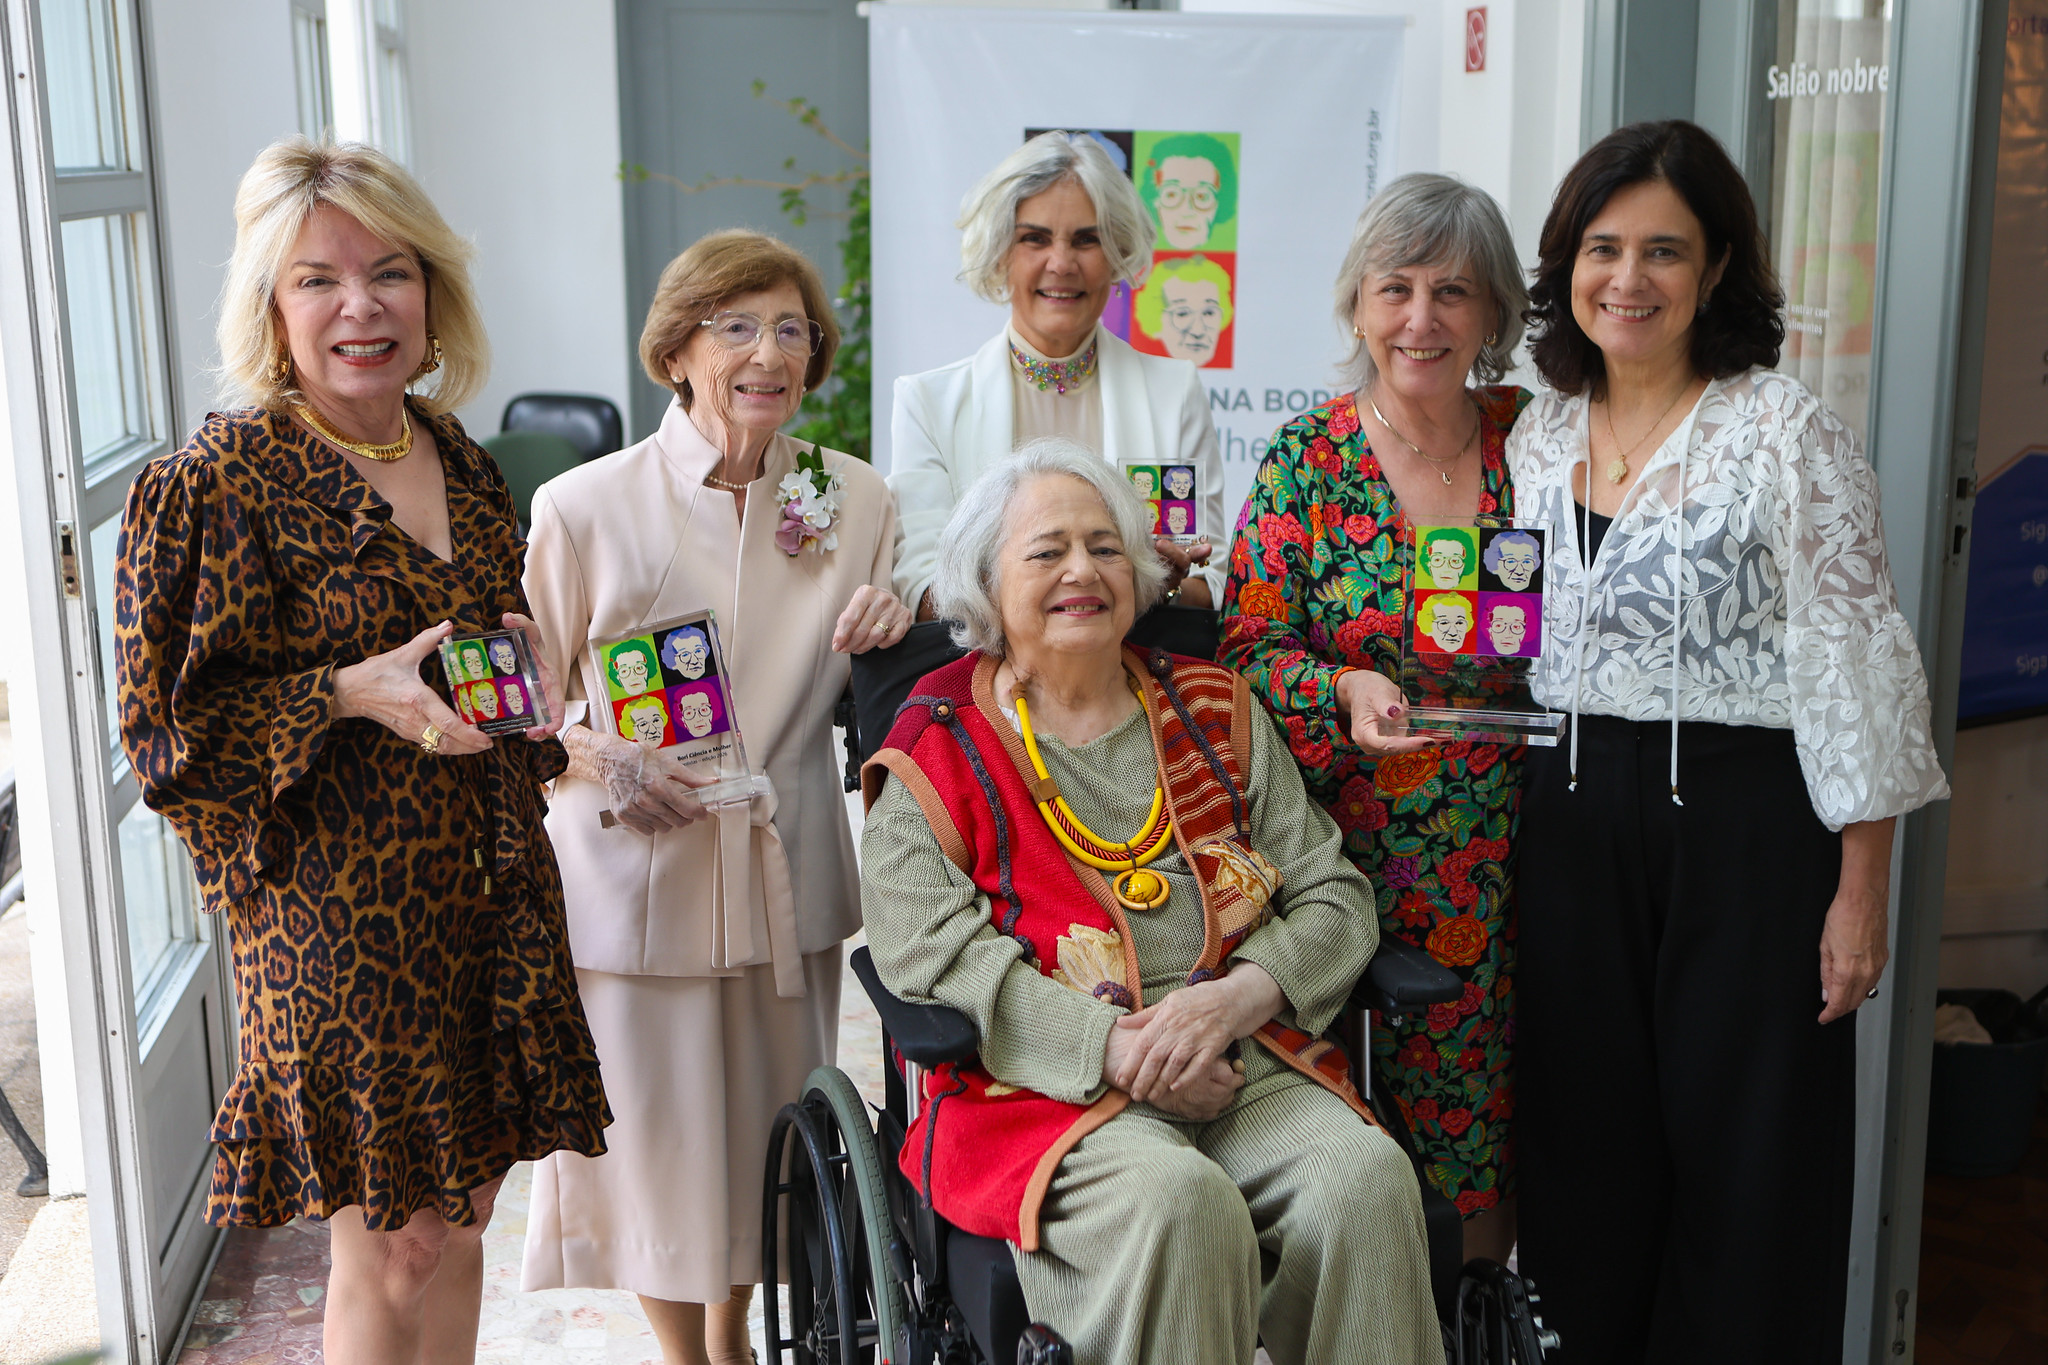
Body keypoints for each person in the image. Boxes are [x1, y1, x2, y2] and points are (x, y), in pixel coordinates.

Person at [112, 138, 609, 1365]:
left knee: (469, 1212)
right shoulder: (216, 482)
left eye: (390, 272)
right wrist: (343, 693)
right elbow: (164, 736)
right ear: (272, 309)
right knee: (393, 1242)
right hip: (335, 913)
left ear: (431, 292)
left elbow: (488, 669)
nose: (360, 306)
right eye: (318, 279)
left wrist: (531, 686)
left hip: (489, 887)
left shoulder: (464, 460)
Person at [1506, 120, 1950, 1364]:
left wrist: (1860, 891)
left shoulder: (1780, 429)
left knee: (1750, 1167)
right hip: (1570, 823)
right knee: (1583, 1160)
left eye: (1663, 250)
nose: (1627, 280)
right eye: (1602, 248)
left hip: (1743, 829)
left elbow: (1852, 656)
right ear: (1566, 265)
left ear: (1714, 272)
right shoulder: (1537, 430)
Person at [860, 440, 1440, 1365]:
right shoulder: (936, 742)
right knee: (1184, 1205)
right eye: (1047, 551)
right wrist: (1121, 1048)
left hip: (1240, 1059)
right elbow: (935, 955)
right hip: (1049, 1092)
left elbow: (1332, 893)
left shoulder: (1216, 705)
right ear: (983, 582)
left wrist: (1233, 1000)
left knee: (1365, 1180)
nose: (1083, 570)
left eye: (1107, 546)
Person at [519, 229, 909, 1365]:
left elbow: (908, 664)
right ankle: (693, 1360)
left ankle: (730, 1340)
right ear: (677, 350)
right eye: (736, 326)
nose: (767, 351)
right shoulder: (583, 505)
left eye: (790, 329)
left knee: (758, 1144)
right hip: (633, 872)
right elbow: (524, 704)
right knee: (651, 1149)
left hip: (783, 867)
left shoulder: (854, 499)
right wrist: (600, 757)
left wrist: (896, 622)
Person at [1220, 172, 1532, 1263]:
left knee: (1531, 1096)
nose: (1420, 319)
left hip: (1535, 834)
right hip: (1356, 844)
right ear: (1356, 304)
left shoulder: (1534, 445)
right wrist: (1340, 687)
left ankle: (1488, 1306)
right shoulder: (1307, 461)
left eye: (1452, 291)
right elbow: (1245, 645)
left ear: (1492, 312)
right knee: (1378, 1110)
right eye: (1393, 287)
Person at [891, 131, 1226, 617]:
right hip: (981, 679)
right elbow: (922, 589)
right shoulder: (928, 402)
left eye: (1087, 240)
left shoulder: (1174, 393)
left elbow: (1210, 582)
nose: (1062, 263)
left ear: (1117, 254)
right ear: (1000, 253)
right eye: (1035, 238)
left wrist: (1165, 585)